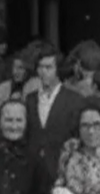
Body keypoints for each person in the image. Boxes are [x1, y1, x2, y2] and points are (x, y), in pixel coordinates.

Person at [25, 43, 87, 183]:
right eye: (40, 67)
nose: (43, 72)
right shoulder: (30, 99)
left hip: (62, 171)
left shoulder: (74, 100)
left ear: (57, 69)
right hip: (33, 172)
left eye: (48, 67)